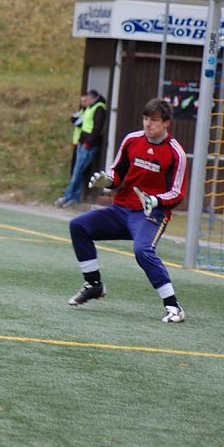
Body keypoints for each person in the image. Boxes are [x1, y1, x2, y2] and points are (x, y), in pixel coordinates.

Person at [67, 98, 187, 323]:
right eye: (145, 118)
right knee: (78, 226)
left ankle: (174, 307)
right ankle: (94, 285)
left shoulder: (175, 153)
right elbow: (117, 172)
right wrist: (108, 180)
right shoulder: (132, 140)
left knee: (143, 251)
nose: (148, 124)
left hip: (151, 215)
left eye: (154, 120)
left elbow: (177, 192)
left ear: (166, 123)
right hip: (120, 210)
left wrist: (156, 200)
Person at [56, 90, 107, 208]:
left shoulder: (99, 108)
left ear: (93, 98)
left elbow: (97, 128)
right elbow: (80, 122)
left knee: (77, 171)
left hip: (88, 145)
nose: (85, 102)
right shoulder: (89, 108)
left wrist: (88, 143)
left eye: (87, 99)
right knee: (78, 171)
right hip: (82, 142)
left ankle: (68, 195)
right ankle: (75, 197)